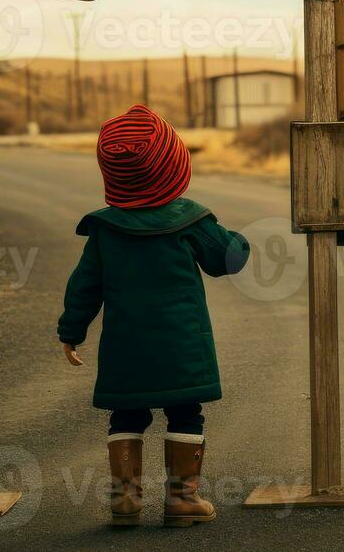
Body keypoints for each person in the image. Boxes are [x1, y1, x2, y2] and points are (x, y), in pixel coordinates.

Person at [58, 104, 251, 528]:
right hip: (183, 346)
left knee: (127, 414)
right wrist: (234, 238)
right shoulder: (190, 220)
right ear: (172, 166)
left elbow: (83, 286)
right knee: (185, 413)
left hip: (126, 347)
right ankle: (182, 499)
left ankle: (125, 500)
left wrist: (71, 331)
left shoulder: (105, 230)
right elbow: (227, 260)